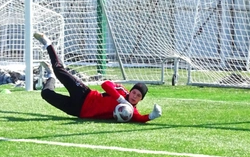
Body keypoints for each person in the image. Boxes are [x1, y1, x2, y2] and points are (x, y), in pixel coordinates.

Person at [33, 32, 162, 122]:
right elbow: (105, 84)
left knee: (46, 94)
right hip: (84, 95)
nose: (134, 96)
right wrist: (120, 99)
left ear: (140, 100)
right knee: (59, 70)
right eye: (134, 92)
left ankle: (50, 77)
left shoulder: (129, 111)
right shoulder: (122, 92)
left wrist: (152, 116)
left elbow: (140, 119)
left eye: (138, 96)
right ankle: (47, 43)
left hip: (78, 111)